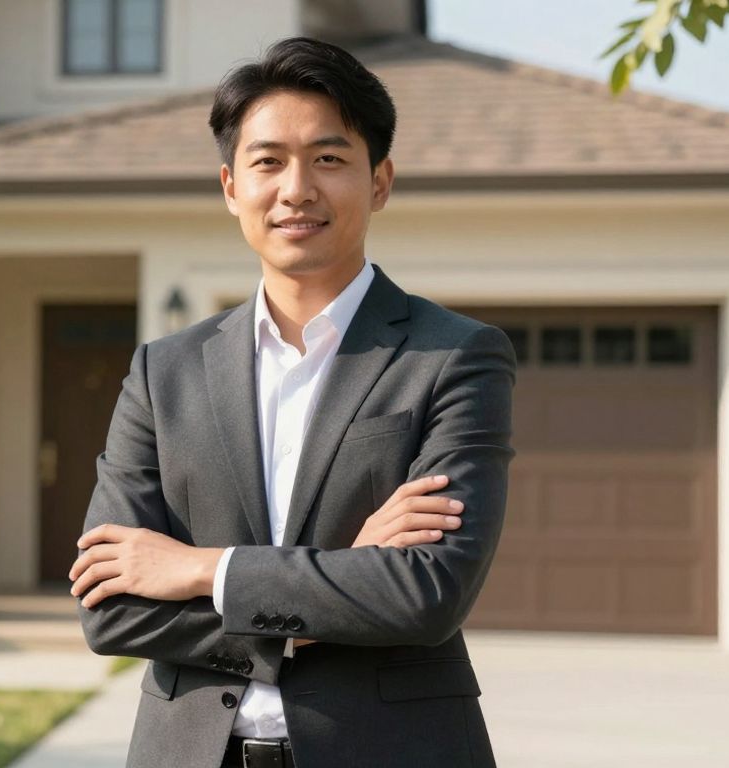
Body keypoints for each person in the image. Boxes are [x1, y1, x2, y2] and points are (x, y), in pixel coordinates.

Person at [68, 36, 515, 768]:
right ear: (230, 186)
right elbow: (110, 607)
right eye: (268, 161)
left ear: (380, 181)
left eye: (329, 158)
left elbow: (428, 592)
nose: (297, 188)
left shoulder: (454, 357)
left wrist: (202, 570)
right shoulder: (164, 372)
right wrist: (342, 579)